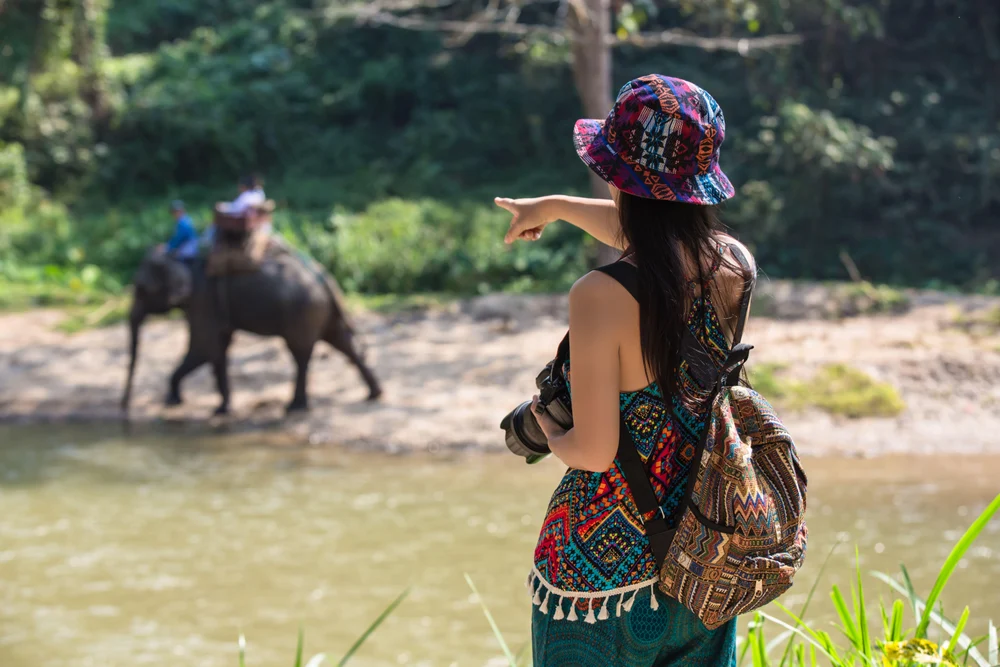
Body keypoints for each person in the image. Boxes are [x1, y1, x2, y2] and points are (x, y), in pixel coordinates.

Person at [495, 74, 755, 666]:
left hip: (596, 580)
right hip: (704, 550)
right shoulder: (736, 266)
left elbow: (592, 450)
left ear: (619, 178)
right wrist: (557, 207)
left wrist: (544, 421)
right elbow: (660, 241)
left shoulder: (599, 295)